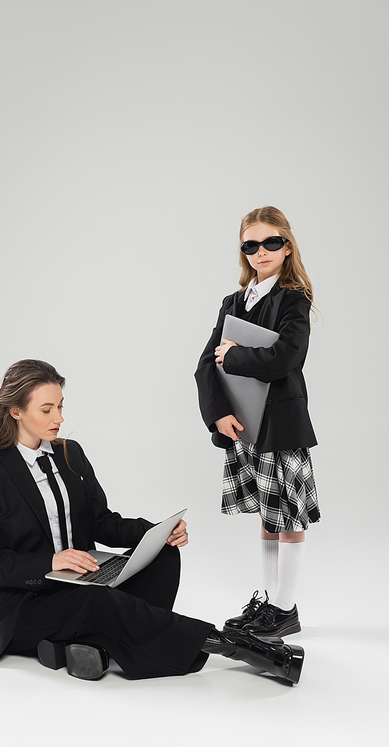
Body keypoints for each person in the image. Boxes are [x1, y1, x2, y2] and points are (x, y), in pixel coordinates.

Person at [0, 358, 304, 683]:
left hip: (79, 582)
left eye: (60, 406)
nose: (58, 418)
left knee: (164, 556)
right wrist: (49, 562)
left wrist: (155, 532)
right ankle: (241, 648)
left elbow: (100, 522)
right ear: (15, 410)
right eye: (46, 409)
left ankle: (102, 644)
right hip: (23, 608)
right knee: (97, 602)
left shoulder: (68, 453)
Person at [195, 206, 320, 638]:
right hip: (243, 423)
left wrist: (234, 356)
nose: (260, 251)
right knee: (268, 517)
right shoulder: (232, 302)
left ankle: (285, 609)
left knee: (287, 516)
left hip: (280, 423)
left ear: (286, 247)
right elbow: (203, 367)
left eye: (270, 242)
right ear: (243, 250)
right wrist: (217, 415)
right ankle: (269, 605)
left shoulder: (293, 299)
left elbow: (286, 358)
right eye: (251, 244)